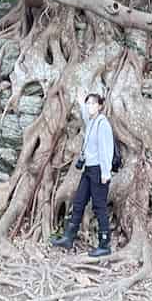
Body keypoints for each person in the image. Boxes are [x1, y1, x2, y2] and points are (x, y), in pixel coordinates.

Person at [50, 89, 114, 257]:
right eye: (88, 104)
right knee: (78, 202)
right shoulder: (91, 122)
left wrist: (106, 173)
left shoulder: (102, 124)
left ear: (100, 106)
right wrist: (80, 97)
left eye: (93, 103)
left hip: (99, 170)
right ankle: (68, 237)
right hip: (88, 169)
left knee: (99, 206)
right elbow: (84, 112)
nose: (90, 106)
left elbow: (106, 150)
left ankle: (104, 244)